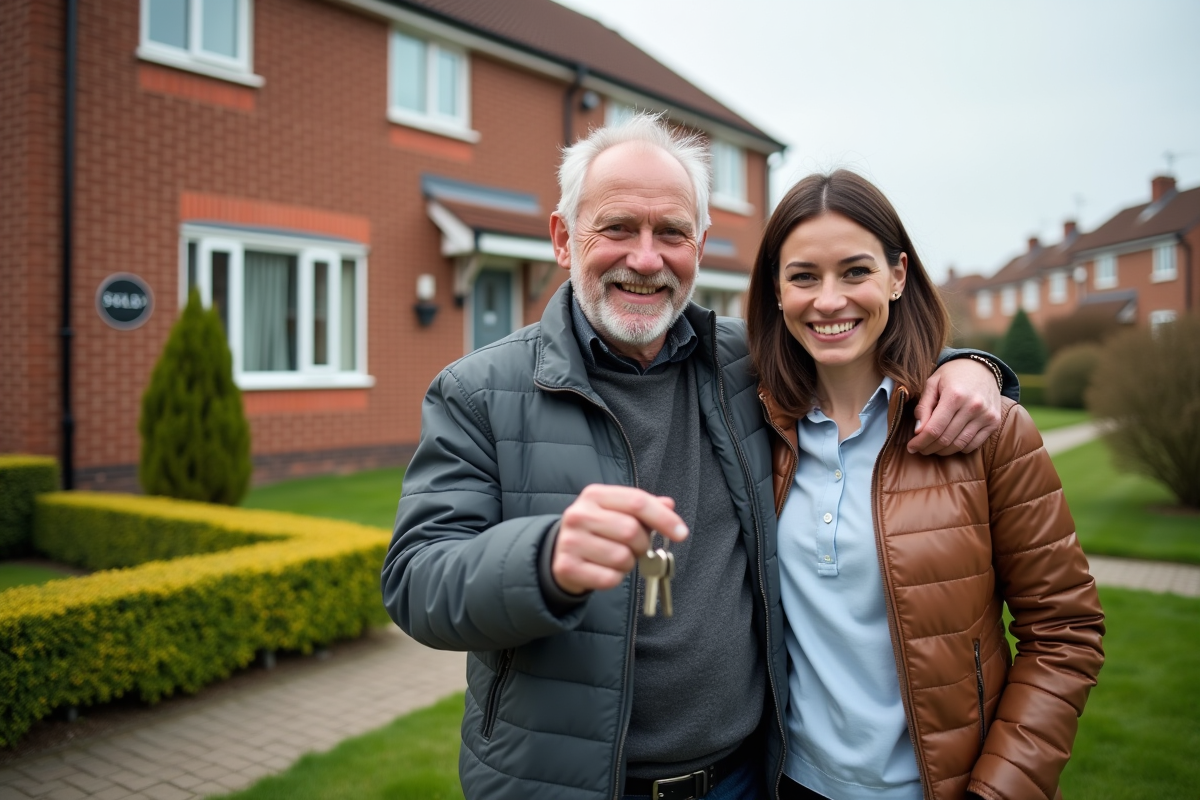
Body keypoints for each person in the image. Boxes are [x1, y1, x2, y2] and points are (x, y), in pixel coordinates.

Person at [382, 115, 1016, 800]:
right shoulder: (479, 392)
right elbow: (417, 581)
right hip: (566, 786)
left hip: (743, 779)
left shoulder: (747, 364)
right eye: (619, 227)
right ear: (565, 240)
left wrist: (971, 366)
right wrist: (542, 561)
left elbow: (858, 338)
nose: (647, 259)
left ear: (701, 246)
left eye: (672, 233)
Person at [744, 170, 1105, 800]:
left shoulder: (988, 429)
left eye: (855, 271)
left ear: (898, 276)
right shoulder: (752, 421)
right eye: (804, 276)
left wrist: (998, 792)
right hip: (790, 783)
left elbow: (1064, 631)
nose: (829, 300)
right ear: (776, 290)